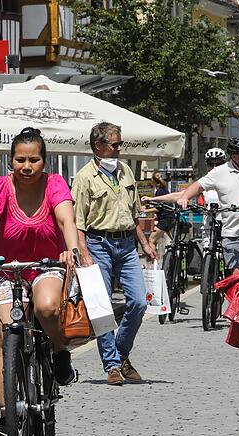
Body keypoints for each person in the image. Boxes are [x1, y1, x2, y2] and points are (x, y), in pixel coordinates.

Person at [0, 127, 80, 436]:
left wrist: (70, 249)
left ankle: (59, 351)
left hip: (45, 266)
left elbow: (66, 220)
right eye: (20, 160)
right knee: (6, 339)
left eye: (33, 160)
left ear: (44, 161)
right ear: (11, 161)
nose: (26, 166)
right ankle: (5, 416)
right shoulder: (1, 187)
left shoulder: (54, 184)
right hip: (8, 270)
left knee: (47, 307)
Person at [71, 122, 155, 386]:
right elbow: (77, 222)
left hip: (127, 244)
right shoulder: (85, 177)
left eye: (120, 144)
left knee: (139, 302)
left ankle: (120, 354)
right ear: (98, 146)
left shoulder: (125, 171)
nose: (119, 149)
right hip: (98, 244)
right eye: (115, 144)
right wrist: (83, 252)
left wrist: (145, 243)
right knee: (102, 307)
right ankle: (112, 365)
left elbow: (134, 214)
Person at [146, 137, 239, 273]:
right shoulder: (219, 172)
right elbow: (197, 186)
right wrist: (185, 197)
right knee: (237, 275)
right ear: (234, 156)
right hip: (232, 233)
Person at [145, 172, 176, 251]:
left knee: (151, 240)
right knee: (174, 241)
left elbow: (158, 208)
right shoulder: (165, 190)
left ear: (153, 181)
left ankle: (154, 258)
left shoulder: (159, 192)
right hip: (171, 217)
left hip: (165, 219)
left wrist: (145, 211)